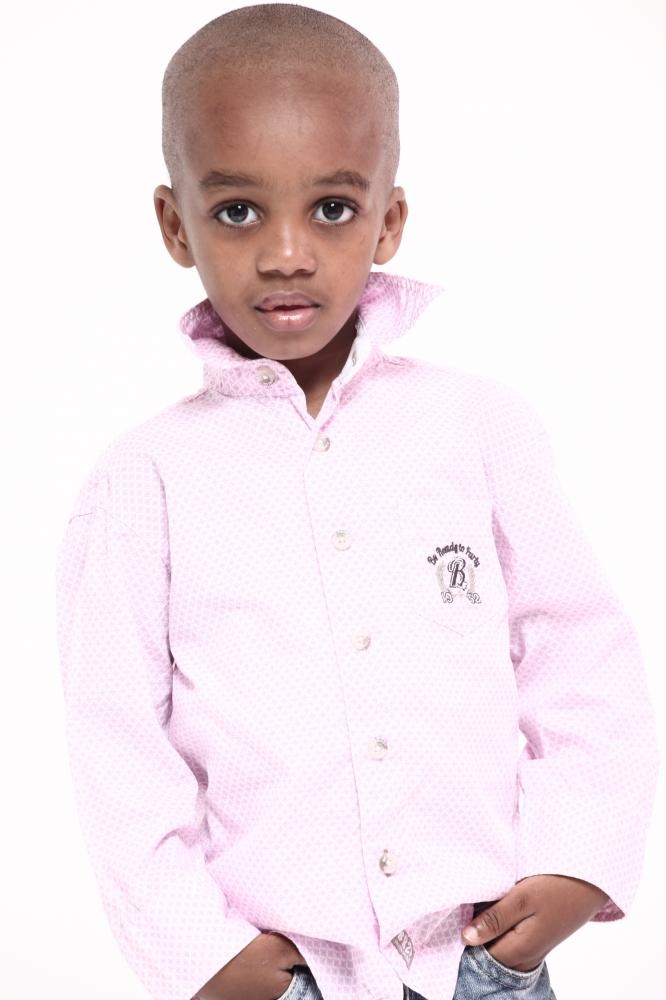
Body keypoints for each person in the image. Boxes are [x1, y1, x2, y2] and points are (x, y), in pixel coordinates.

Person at [55, 5, 658, 1000]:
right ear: (174, 224)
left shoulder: (479, 427)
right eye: (238, 212)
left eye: (332, 208)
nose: (286, 253)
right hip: (281, 973)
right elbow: (117, 748)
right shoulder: (143, 481)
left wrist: (580, 857)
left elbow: (580, 651)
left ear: (389, 219)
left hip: (478, 955)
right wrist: (204, 954)